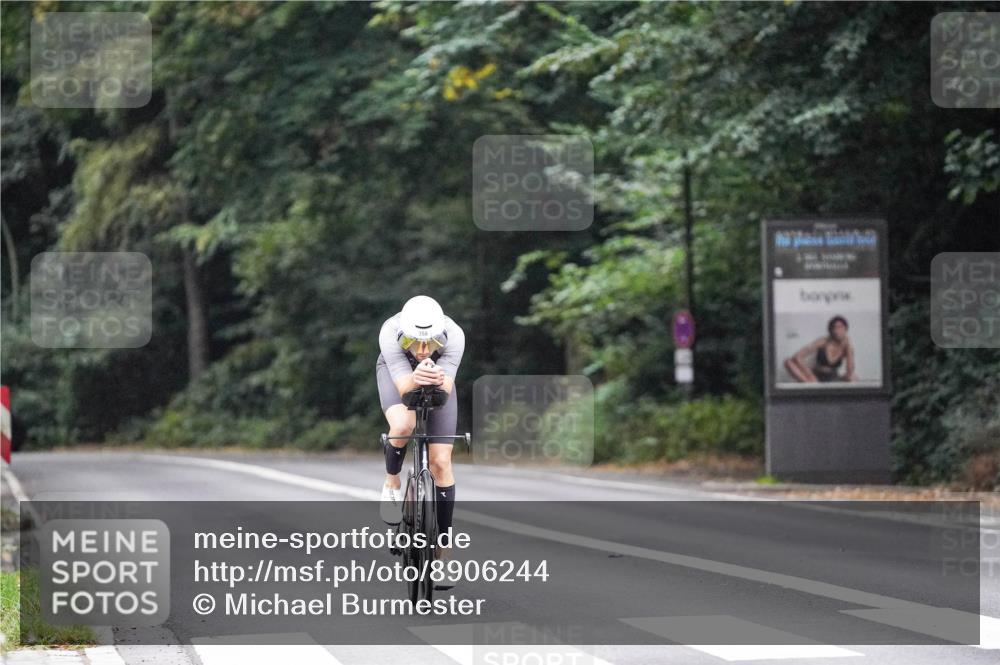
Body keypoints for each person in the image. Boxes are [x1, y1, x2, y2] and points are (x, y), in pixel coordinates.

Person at [376, 295, 465, 561]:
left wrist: (437, 379)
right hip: (397, 373)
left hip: (438, 377)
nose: (424, 349)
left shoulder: (455, 335)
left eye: (432, 342)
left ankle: (444, 549)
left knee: (440, 462)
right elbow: (404, 389)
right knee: (404, 425)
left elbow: (444, 392)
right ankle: (392, 480)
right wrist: (415, 378)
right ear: (404, 335)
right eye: (415, 341)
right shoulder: (390, 332)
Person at [783, 315, 857, 383]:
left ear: (846, 329)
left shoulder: (847, 346)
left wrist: (848, 348)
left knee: (853, 377)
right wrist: (810, 375)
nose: (837, 331)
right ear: (831, 330)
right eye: (834, 327)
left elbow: (849, 372)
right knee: (788, 362)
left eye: (840, 327)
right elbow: (797, 356)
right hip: (816, 376)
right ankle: (811, 384)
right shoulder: (823, 341)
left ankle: (812, 385)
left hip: (833, 377)